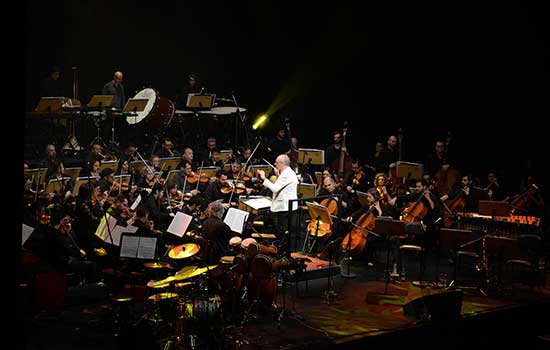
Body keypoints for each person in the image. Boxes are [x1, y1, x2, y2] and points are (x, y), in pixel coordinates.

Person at [257, 154, 298, 239]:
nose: (275, 164)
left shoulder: (287, 174)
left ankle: (280, 249)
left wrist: (264, 178)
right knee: (279, 230)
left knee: (281, 232)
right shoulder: (286, 173)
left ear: (282, 164)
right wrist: (279, 175)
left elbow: (275, 188)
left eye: (276, 162)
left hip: (285, 208)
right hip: (284, 206)